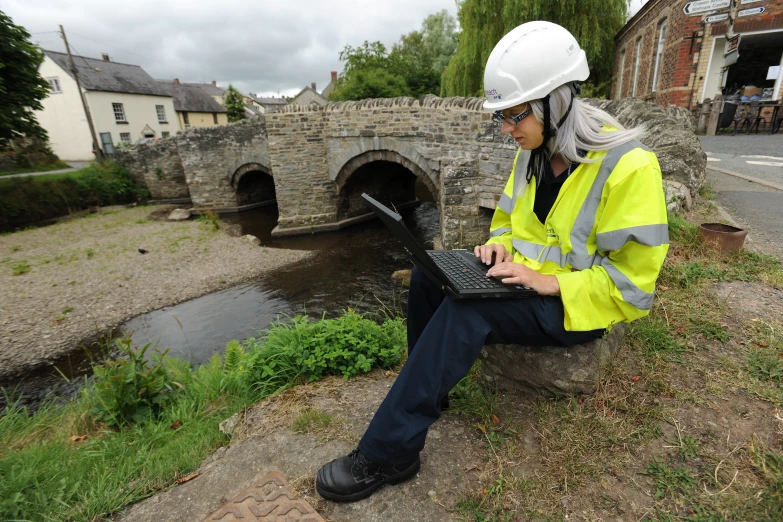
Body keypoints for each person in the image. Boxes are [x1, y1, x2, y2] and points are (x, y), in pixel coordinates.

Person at [315, 21, 669, 502]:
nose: (506, 130)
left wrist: (547, 283)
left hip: (576, 306)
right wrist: (499, 245)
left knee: (468, 310)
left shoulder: (631, 167)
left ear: (556, 101)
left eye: (514, 115)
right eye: (501, 116)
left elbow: (632, 286)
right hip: (521, 282)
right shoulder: (534, 151)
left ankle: (389, 452)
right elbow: (506, 220)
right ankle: (427, 391)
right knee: (427, 272)